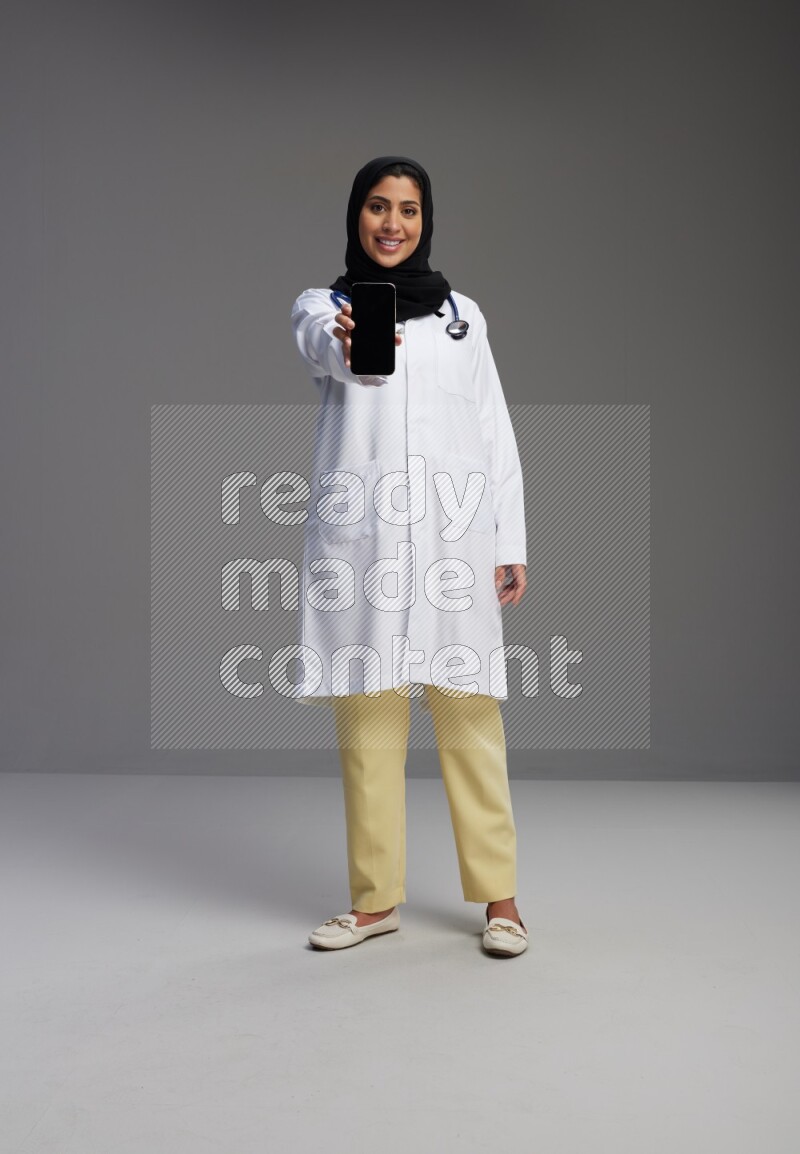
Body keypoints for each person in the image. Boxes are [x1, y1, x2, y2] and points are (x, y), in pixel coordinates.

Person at [290, 156, 529, 956]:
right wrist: (345, 335)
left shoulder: (465, 317)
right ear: (356, 215)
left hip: (454, 544)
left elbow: (492, 428)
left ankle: (502, 901)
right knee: (370, 726)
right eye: (379, 208)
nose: (393, 224)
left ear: (426, 223)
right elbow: (320, 345)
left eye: (410, 211)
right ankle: (373, 901)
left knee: (469, 723)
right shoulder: (324, 306)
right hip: (367, 548)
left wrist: (510, 538)